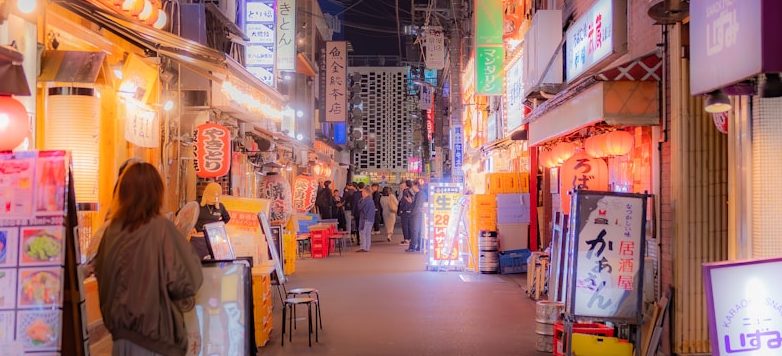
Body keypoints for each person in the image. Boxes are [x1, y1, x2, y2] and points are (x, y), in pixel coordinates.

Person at [94, 162, 203, 356]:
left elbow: (102, 278)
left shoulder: (110, 232)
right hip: (157, 340)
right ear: (157, 193)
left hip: (120, 341)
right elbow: (188, 281)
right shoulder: (162, 229)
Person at [192, 182, 231, 260]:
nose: (213, 199)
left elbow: (227, 218)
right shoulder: (196, 204)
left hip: (213, 240)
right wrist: (191, 227)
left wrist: (217, 227)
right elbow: (181, 215)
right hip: (197, 239)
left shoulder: (220, 207)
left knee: (211, 263)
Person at [356, 186, 376, 252]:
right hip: (370, 219)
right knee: (367, 234)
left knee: (363, 233)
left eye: (362, 192)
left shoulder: (365, 200)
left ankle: (363, 247)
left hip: (365, 219)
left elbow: (359, 207)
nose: (362, 193)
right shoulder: (371, 199)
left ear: (365, 192)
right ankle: (367, 247)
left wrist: (360, 200)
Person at [407, 180, 424, 252]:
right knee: (418, 230)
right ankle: (419, 246)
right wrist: (411, 202)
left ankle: (413, 247)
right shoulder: (419, 194)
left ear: (416, 186)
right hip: (418, 214)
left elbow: (417, 206)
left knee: (414, 230)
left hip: (416, 215)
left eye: (413, 186)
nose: (412, 187)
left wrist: (411, 214)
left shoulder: (419, 194)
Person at [398, 181, 414, 246]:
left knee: (405, 226)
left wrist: (402, 210)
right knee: (408, 225)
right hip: (409, 211)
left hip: (405, 211)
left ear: (405, 185)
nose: (400, 187)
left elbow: (404, 202)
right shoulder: (411, 191)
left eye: (401, 185)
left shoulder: (405, 191)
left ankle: (406, 239)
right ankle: (409, 239)